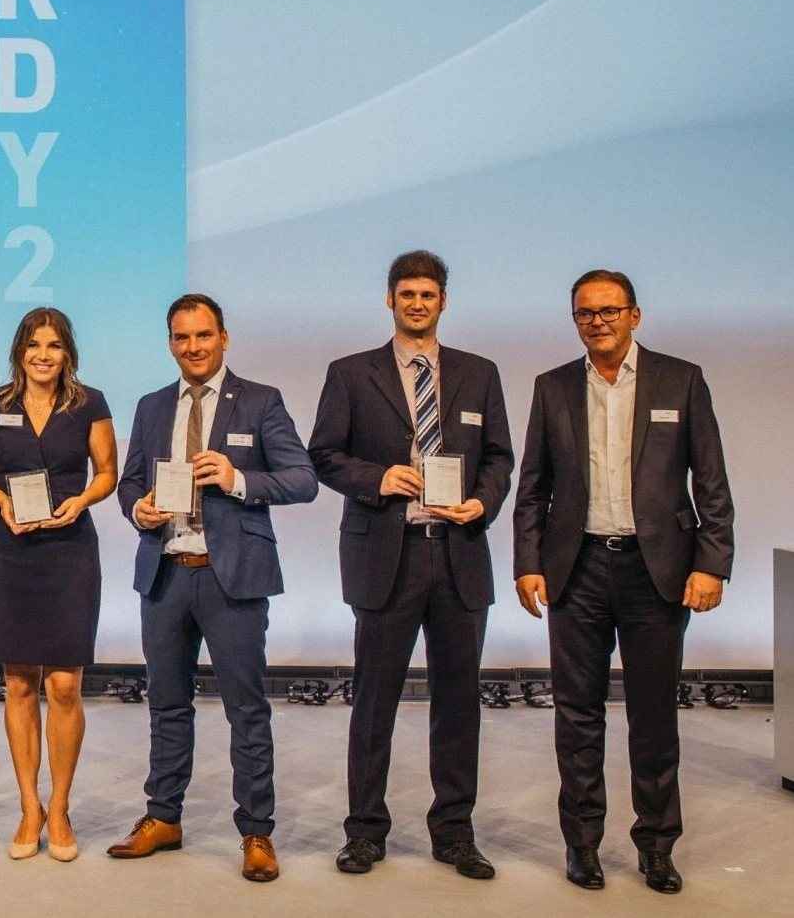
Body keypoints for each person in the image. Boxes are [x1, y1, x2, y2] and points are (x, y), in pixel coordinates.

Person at [513, 270, 732, 895]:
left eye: (610, 311)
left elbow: (711, 481)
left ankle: (657, 848)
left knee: (654, 717)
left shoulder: (680, 379)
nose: (598, 321)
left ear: (635, 315)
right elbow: (533, 488)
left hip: (656, 571)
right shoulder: (552, 387)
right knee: (577, 715)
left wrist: (711, 563)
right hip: (575, 569)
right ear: (575, 319)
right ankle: (582, 846)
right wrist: (528, 560)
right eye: (586, 312)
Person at [307, 250, 513, 880]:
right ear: (389, 300)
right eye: (406, 294)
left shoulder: (480, 373)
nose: (417, 303)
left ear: (443, 301)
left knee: (459, 703)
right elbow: (324, 455)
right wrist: (378, 477)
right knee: (374, 702)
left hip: (458, 557)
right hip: (385, 559)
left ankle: (454, 833)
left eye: (427, 294)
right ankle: (365, 831)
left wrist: (481, 501)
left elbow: (501, 459)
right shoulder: (350, 373)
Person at [106, 294, 317, 881]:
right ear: (170, 343)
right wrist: (139, 510)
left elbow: (303, 480)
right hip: (165, 574)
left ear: (224, 337)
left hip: (233, 580)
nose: (193, 347)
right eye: (181, 338)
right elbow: (128, 484)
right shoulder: (151, 407)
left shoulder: (260, 400)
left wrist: (239, 478)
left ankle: (256, 832)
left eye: (203, 335)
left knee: (246, 711)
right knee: (166, 705)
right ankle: (163, 817)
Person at [0, 307, 117, 862]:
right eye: (34, 345)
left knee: (65, 686)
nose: (43, 355)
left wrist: (82, 500)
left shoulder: (90, 403)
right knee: (21, 682)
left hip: (70, 551)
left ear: (67, 352)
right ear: (20, 351)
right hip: (12, 550)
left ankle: (61, 807)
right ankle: (29, 805)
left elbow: (107, 473)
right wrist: (3, 501)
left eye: (53, 345)